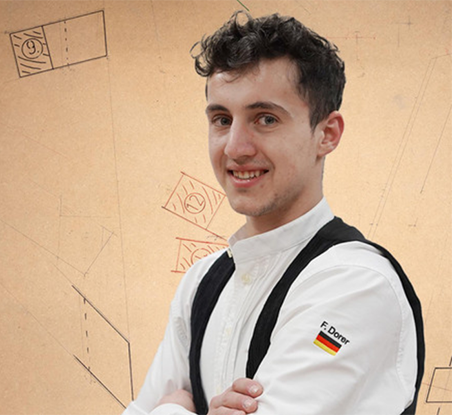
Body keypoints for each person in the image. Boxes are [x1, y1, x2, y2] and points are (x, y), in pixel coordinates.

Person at [122, 11, 423, 415]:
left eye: (265, 119)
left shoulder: (355, 285)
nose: (235, 147)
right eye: (222, 120)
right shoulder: (200, 283)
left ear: (327, 134)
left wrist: (172, 409)